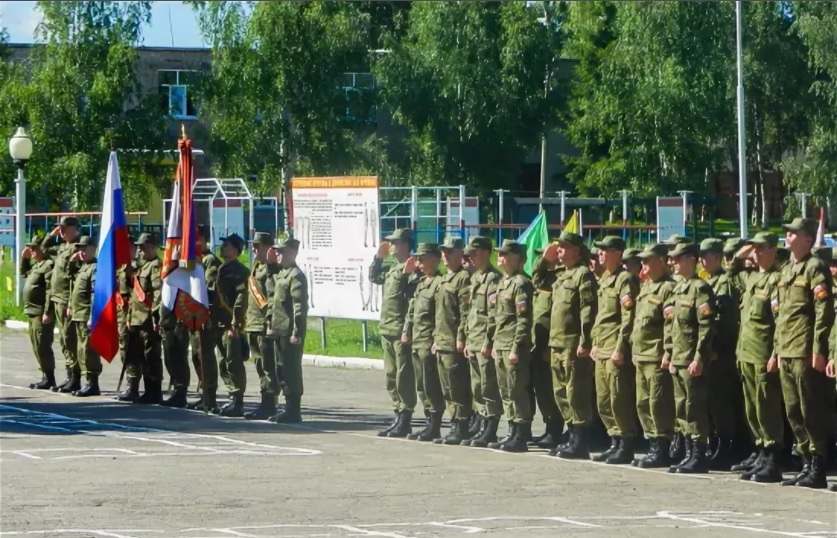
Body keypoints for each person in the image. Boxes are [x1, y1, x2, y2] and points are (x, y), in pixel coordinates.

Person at [775, 218, 833, 489]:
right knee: (793, 410)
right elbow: (782, 316)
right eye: (787, 233)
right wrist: (776, 350)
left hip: (803, 349)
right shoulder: (787, 271)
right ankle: (805, 461)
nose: (788, 236)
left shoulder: (815, 268)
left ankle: (818, 464)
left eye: (793, 233)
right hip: (786, 348)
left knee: (811, 409)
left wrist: (819, 349)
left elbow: (823, 312)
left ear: (808, 239)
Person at [732, 233, 784, 482]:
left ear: (773, 250)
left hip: (764, 354)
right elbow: (731, 271)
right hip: (747, 353)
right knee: (752, 407)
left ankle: (773, 458)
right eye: (756, 249)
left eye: (762, 248)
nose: (757, 253)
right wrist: (745, 250)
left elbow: (780, 323)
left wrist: (776, 354)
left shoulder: (777, 280)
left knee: (767, 406)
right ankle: (761, 451)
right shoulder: (752, 278)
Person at [544, 231, 598, 458]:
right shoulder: (562, 275)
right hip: (556, 342)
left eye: (564, 247)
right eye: (558, 247)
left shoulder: (583, 275)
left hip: (572, 343)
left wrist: (585, 341)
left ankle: (580, 441)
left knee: (576, 392)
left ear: (576, 250)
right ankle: (571, 434)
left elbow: (588, 311)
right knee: (560, 392)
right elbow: (538, 280)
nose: (559, 251)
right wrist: (545, 260)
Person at [665, 242, 716, 474]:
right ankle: (687, 453)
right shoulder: (679, 289)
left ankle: (698, 453)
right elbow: (672, 326)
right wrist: (669, 354)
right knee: (681, 407)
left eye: (677, 259)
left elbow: (705, 328)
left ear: (690, 260)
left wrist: (699, 358)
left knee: (694, 408)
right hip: (678, 357)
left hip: (691, 359)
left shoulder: (700, 289)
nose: (673, 263)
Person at [590, 236, 640, 464]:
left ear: (618, 253)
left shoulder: (625, 280)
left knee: (619, 399)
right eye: (599, 251)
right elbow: (601, 318)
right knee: (604, 399)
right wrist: (594, 344)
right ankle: (615, 440)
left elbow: (627, 318)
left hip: (614, 348)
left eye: (605, 250)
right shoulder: (605, 279)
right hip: (601, 348)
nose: (600, 254)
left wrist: (620, 348)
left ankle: (626, 443)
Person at [369, 228, 419, 436]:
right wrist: (378, 258)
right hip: (387, 328)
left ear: (406, 244)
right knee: (391, 375)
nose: (391, 246)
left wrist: (407, 330)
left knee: (403, 376)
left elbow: (412, 302)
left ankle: (405, 416)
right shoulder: (393, 269)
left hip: (400, 330)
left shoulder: (413, 269)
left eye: (395, 242)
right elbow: (374, 277)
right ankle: (398, 413)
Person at [630, 243, 677, 468]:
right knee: (642, 403)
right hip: (641, 354)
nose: (644, 265)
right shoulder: (647, 287)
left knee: (659, 403)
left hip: (656, 355)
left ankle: (662, 446)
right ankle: (652, 443)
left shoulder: (668, 288)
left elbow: (670, 326)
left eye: (648, 260)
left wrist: (668, 352)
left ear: (661, 261)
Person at [699, 238, 744, 469]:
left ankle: (726, 446)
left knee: (721, 401)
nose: (702, 260)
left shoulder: (723, 283)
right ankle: (717, 443)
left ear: (717, 257)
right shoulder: (710, 281)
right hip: (712, 349)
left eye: (707, 256)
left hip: (721, 351)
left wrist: (718, 348)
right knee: (712, 402)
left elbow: (725, 320)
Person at [486, 240, 534, 452]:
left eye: (506, 254)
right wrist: (494, 342)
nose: (501, 258)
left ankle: (521, 434)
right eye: (501, 254)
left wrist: (516, 347)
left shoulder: (521, 283)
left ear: (518, 259)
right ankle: (512, 430)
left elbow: (522, 320)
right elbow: (497, 317)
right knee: (506, 391)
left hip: (514, 346)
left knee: (517, 390)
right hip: (501, 343)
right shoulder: (503, 283)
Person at [464, 236, 504, 448]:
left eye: (475, 253)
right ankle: (482, 423)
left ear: (487, 253)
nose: (471, 257)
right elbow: (471, 312)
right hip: (473, 339)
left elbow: (492, 315)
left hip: (484, 342)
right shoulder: (476, 278)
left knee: (488, 386)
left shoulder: (493, 279)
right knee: (477, 386)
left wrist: (488, 342)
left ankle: (491, 427)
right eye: (470, 254)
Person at [433, 237, 474, 445]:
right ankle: (454, 423)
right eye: (443, 252)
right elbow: (438, 314)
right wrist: (434, 338)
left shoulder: (463, 278)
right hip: (441, 340)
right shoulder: (443, 280)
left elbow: (465, 313)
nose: (445, 256)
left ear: (460, 254)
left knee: (457, 385)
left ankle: (461, 424)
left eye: (450, 252)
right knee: (446, 386)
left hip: (453, 341)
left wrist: (461, 337)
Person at [402, 243, 444, 441]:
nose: (418, 262)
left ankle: (435, 424)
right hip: (417, 340)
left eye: (421, 258)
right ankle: (429, 422)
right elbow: (412, 311)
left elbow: (440, 316)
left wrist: (436, 339)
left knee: (431, 385)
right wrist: (406, 332)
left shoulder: (439, 283)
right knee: (421, 385)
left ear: (434, 259)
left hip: (428, 341)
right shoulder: (420, 283)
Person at [528, 246, 565, 449]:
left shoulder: (561, 281)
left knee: (552, 390)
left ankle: (555, 428)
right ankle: (550, 426)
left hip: (551, 345)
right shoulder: (543, 282)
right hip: (537, 344)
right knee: (541, 389)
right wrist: (543, 261)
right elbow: (536, 278)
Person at [268, 237, 308, 423]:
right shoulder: (283, 274)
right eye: (277, 251)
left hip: (289, 332)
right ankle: (287, 406)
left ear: (293, 253)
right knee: (281, 369)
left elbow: (299, 306)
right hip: (279, 329)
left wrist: (297, 332)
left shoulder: (296, 275)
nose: (278, 254)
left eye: (282, 251)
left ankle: (294, 409)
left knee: (291, 370)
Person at [243, 232, 281, 420]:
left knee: (268, 366)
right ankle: (265, 402)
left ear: (268, 248)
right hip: (253, 323)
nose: (255, 249)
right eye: (254, 246)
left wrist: (270, 320)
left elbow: (273, 297)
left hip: (264, 324)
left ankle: (270, 403)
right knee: (259, 365)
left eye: (258, 246)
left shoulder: (272, 269)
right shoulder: (257, 266)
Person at [42, 216, 82, 393]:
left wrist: (71, 304)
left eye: (65, 228)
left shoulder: (78, 247)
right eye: (61, 229)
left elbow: (75, 279)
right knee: (64, 340)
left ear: (75, 229)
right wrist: (52, 235)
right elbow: (44, 249)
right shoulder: (63, 247)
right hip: (57, 299)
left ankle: (75, 377)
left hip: (66, 300)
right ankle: (69, 376)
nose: (62, 231)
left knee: (70, 339)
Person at [188, 226, 223, 412]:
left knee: (205, 356)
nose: (194, 243)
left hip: (206, 317)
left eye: (197, 239)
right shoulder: (193, 260)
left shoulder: (209, 261)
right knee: (196, 355)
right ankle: (204, 394)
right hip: (193, 316)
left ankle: (210, 397)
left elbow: (209, 289)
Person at [214, 233, 249, 417]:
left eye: (226, 245)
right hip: (219, 322)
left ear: (235, 250)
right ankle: (231, 395)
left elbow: (241, 299)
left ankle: (237, 400)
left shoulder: (239, 271)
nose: (223, 248)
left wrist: (235, 322)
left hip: (230, 323)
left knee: (233, 361)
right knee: (223, 361)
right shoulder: (222, 268)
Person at [127, 233, 163, 404]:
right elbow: (134, 295)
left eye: (144, 246)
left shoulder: (156, 266)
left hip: (148, 319)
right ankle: (147, 390)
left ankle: (154, 391)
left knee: (151, 357)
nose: (140, 250)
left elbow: (157, 294)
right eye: (139, 247)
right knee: (141, 356)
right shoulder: (143, 266)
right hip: (138, 318)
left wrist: (156, 317)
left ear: (153, 247)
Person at [20, 234, 56, 389]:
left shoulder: (48, 265)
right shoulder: (37, 265)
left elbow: (50, 290)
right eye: (30, 248)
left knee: (42, 346)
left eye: (34, 248)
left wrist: (47, 311)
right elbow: (24, 273)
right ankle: (45, 376)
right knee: (36, 346)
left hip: (40, 312)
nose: (31, 250)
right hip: (32, 311)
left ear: (42, 249)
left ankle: (49, 377)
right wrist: (24, 258)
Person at [67, 236, 101, 396]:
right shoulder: (83, 267)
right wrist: (73, 261)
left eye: (84, 248)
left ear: (92, 248)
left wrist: (92, 316)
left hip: (86, 314)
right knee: (81, 350)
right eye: (79, 248)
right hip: (78, 314)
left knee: (88, 350)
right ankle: (85, 381)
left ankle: (92, 382)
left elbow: (95, 293)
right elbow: (68, 278)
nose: (81, 251)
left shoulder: (94, 267)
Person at [116, 239, 141, 402]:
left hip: (133, 314)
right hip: (121, 312)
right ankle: (130, 383)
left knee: (133, 349)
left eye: (129, 248)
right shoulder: (121, 267)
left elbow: (137, 294)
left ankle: (133, 386)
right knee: (124, 348)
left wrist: (130, 315)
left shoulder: (137, 268)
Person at [159, 306, 190, 407]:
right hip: (167, 321)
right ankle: (177, 389)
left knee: (179, 358)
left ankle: (180, 393)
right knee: (170, 358)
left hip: (180, 320)